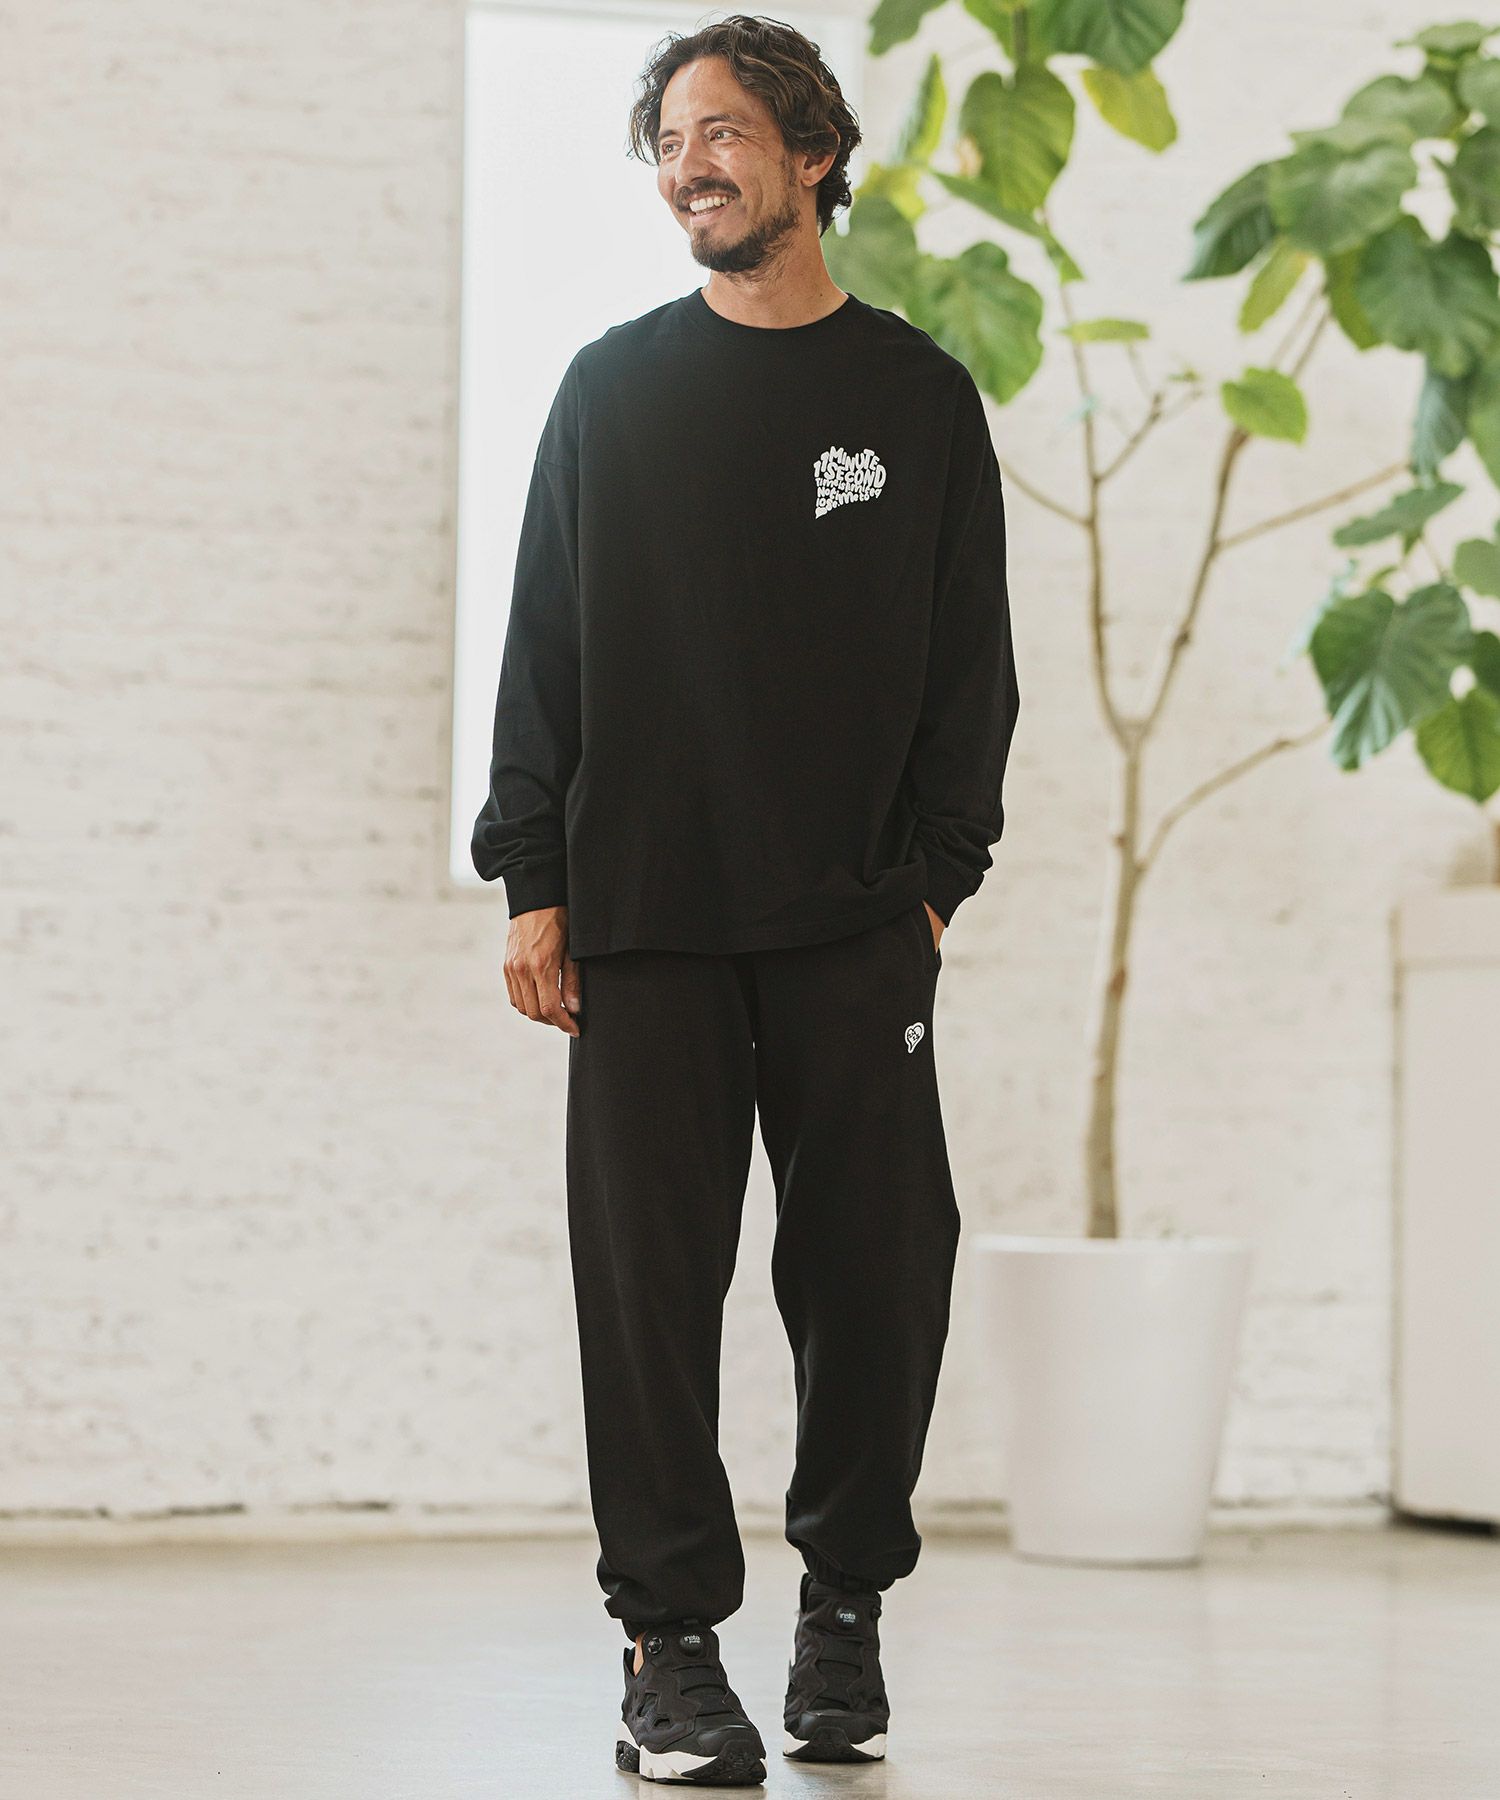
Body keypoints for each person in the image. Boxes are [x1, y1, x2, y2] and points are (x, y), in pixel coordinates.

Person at [472, 13, 1020, 1787]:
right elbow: (543, 651)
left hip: (858, 922)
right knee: (647, 1297)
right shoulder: (610, 394)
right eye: (667, 144)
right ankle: (670, 1645)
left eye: (719, 134)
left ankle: (842, 1609)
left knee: (880, 1279)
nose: (687, 168)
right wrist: (535, 882)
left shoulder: (917, 400)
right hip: (644, 919)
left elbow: (972, 671)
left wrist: (933, 887)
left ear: (811, 153)